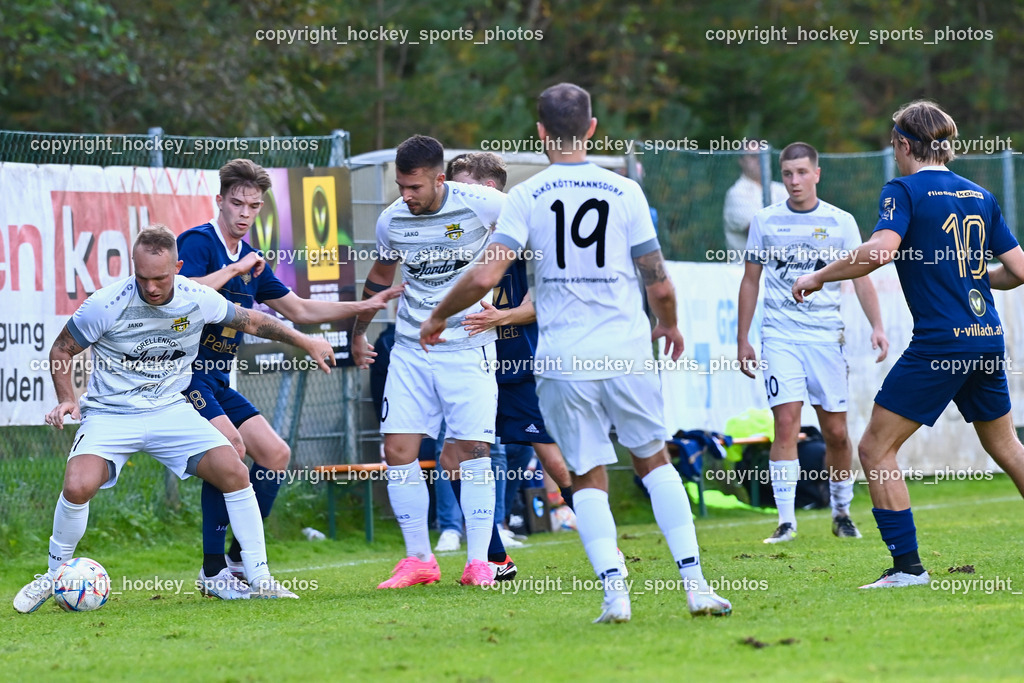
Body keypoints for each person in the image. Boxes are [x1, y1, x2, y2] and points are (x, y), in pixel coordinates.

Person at [421, 83, 731, 623]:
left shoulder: (526, 196)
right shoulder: (626, 191)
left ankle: (615, 594)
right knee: (653, 460)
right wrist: (669, 324)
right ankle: (696, 585)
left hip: (563, 359)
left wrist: (438, 314)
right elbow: (656, 279)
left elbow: (486, 275)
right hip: (626, 351)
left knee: (586, 475)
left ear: (540, 132)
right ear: (591, 128)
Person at [13, 225, 336, 613]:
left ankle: (260, 579)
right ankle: (53, 576)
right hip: (112, 414)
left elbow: (252, 320)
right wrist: (67, 399)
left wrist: (307, 341)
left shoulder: (196, 297)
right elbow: (62, 350)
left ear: (178, 268)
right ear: (133, 268)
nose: (151, 288)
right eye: (143, 278)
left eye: (161, 278)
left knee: (234, 470)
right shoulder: (105, 304)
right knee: (77, 485)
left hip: (170, 410)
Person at [792, 100, 1024, 588]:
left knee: (875, 449)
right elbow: (1018, 270)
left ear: (902, 143)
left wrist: (819, 276)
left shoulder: (903, 190)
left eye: (893, 143)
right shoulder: (980, 194)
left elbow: (880, 251)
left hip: (942, 343)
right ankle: (906, 569)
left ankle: (908, 569)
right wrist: (970, 277)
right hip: (986, 337)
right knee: (1008, 446)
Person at [176, 158, 401, 599]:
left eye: (254, 206)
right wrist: (235, 271)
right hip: (185, 377)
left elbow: (298, 308)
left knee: (275, 454)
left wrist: (361, 307)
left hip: (218, 379)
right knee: (230, 451)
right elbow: (182, 297)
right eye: (237, 203)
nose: (244, 213)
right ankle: (212, 570)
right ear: (219, 201)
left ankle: (238, 561)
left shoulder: (251, 258)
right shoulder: (199, 242)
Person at [352, 135, 504, 588]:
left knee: (473, 452)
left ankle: (480, 563)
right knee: (398, 451)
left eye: (415, 187)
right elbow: (380, 276)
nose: (406, 195)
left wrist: (512, 310)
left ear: (440, 179)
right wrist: (358, 333)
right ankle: (419, 559)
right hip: (410, 349)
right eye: (401, 186)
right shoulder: (392, 219)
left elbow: (538, 239)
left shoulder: (484, 204)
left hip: (469, 347)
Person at [737, 142, 889, 545]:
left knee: (835, 432)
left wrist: (877, 326)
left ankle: (841, 512)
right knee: (785, 424)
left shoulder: (840, 222)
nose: (795, 181)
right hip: (780, 337)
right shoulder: (765, 220)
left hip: (826, 339)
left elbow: (861, 277)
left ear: (817, 174)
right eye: (788, 174)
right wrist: (742, 339)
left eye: (802, 172)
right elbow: (750, 281)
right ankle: (786, 521)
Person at [446, 151, 577, 579]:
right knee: (455, 457)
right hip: (466, 363)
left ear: (489, 190)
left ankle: (600, 535)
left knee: (553, 459)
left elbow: (545, 300)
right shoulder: (449, 235)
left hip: (516, 363)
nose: (458, 197)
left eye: (466, 188)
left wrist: (501, 318)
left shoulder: (521, 233)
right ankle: (496, 558)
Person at [723, 140, 787, 257]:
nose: (759, 160)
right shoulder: (737, 193)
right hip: (744, 266)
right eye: (753, 156)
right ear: (741, 161)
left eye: (763, 155)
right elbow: (759, 233)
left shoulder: (783, 189)